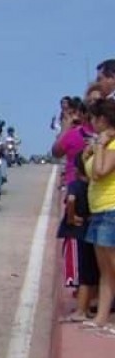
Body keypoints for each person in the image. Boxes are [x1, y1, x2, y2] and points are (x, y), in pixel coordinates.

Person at [82, 98, 115, 332]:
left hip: (111, 208)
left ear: (103, 119)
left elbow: (101, 172)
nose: (92, 123)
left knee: (113, 266)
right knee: (105, 270)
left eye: (94, 118)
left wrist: (101, 147)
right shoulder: (101, 143)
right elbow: (90, 172)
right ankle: (101, 318)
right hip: (98, 210)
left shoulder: (112, 145)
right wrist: (90, 151)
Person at [56, 153, 97, 323]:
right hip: (89, 228)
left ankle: (81, 308)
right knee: (91, 270)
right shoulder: (94, 186)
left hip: (75, 232)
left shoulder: (75, 185)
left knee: (80, 272)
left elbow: (71, 200)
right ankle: (86, 306)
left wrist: (72, 217)